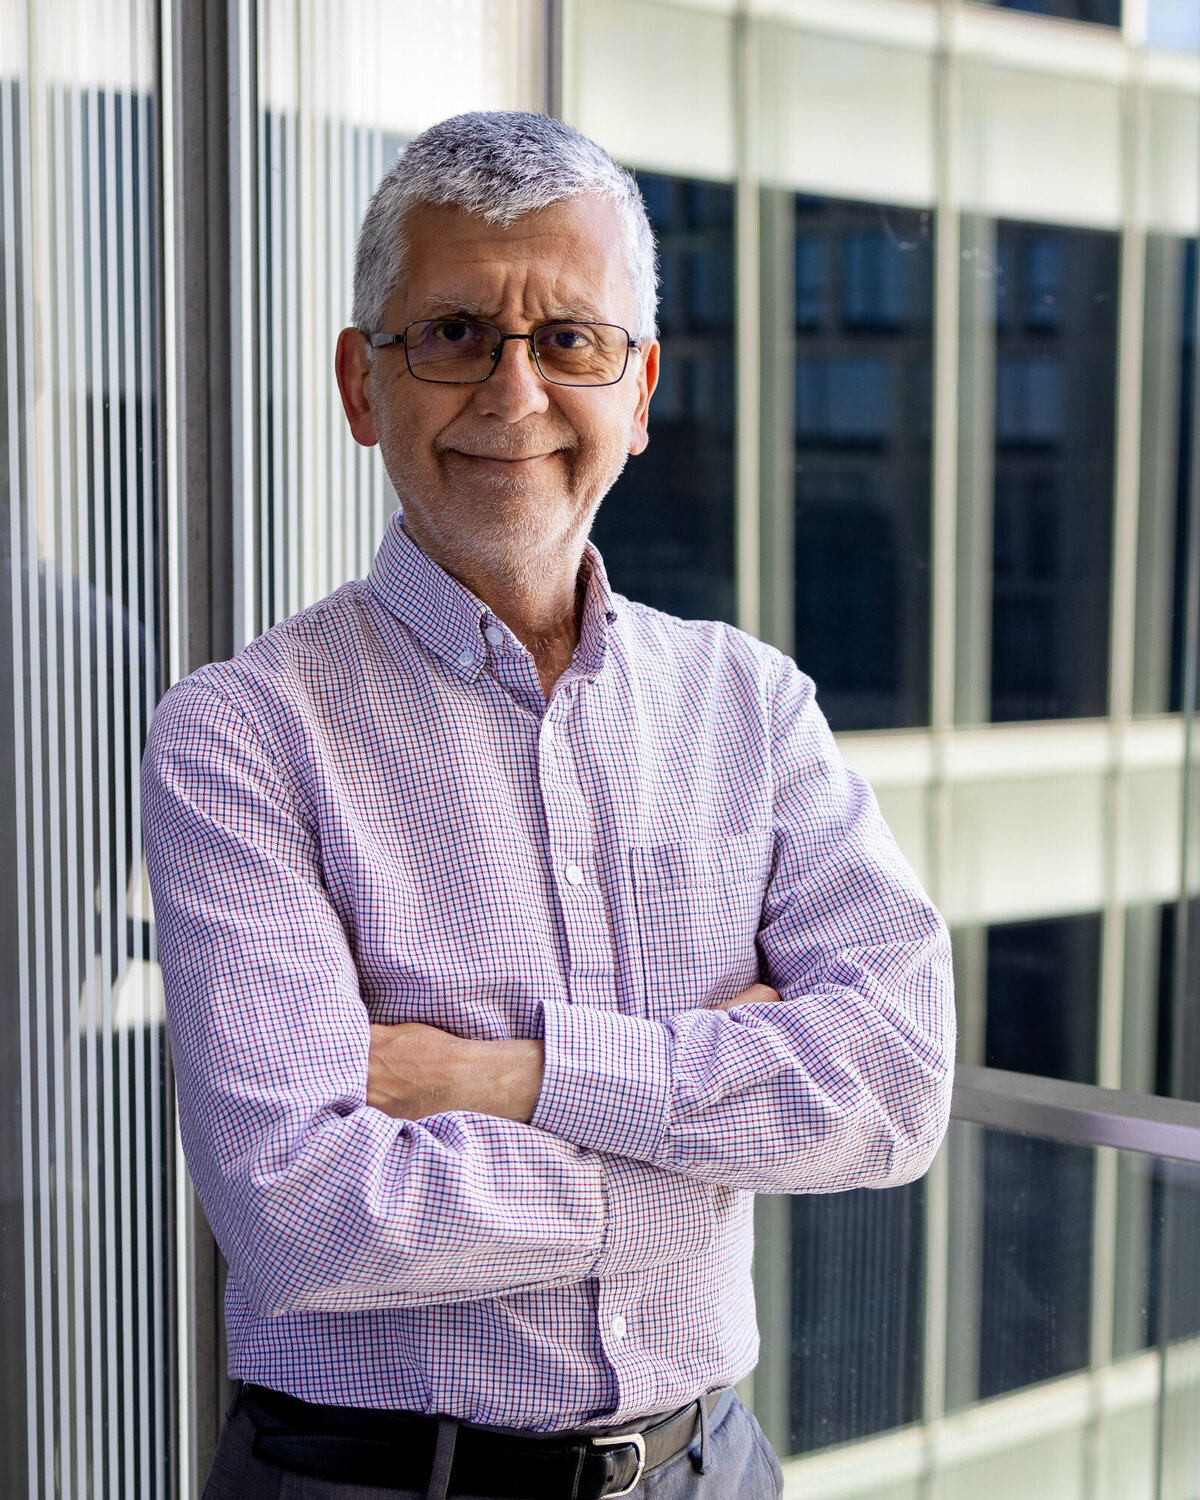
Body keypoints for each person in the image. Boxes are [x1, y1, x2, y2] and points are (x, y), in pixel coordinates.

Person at [143, 110, 956, 1500]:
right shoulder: (241, 736)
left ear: (638, 392)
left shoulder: (750, 710)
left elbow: (893, 1086)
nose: (514, 395)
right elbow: (307, 1213)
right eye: (455, 335)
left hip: (715, 1466)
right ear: (362, 384)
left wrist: (510, 1079)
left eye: (568, 341)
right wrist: (710, 1144)